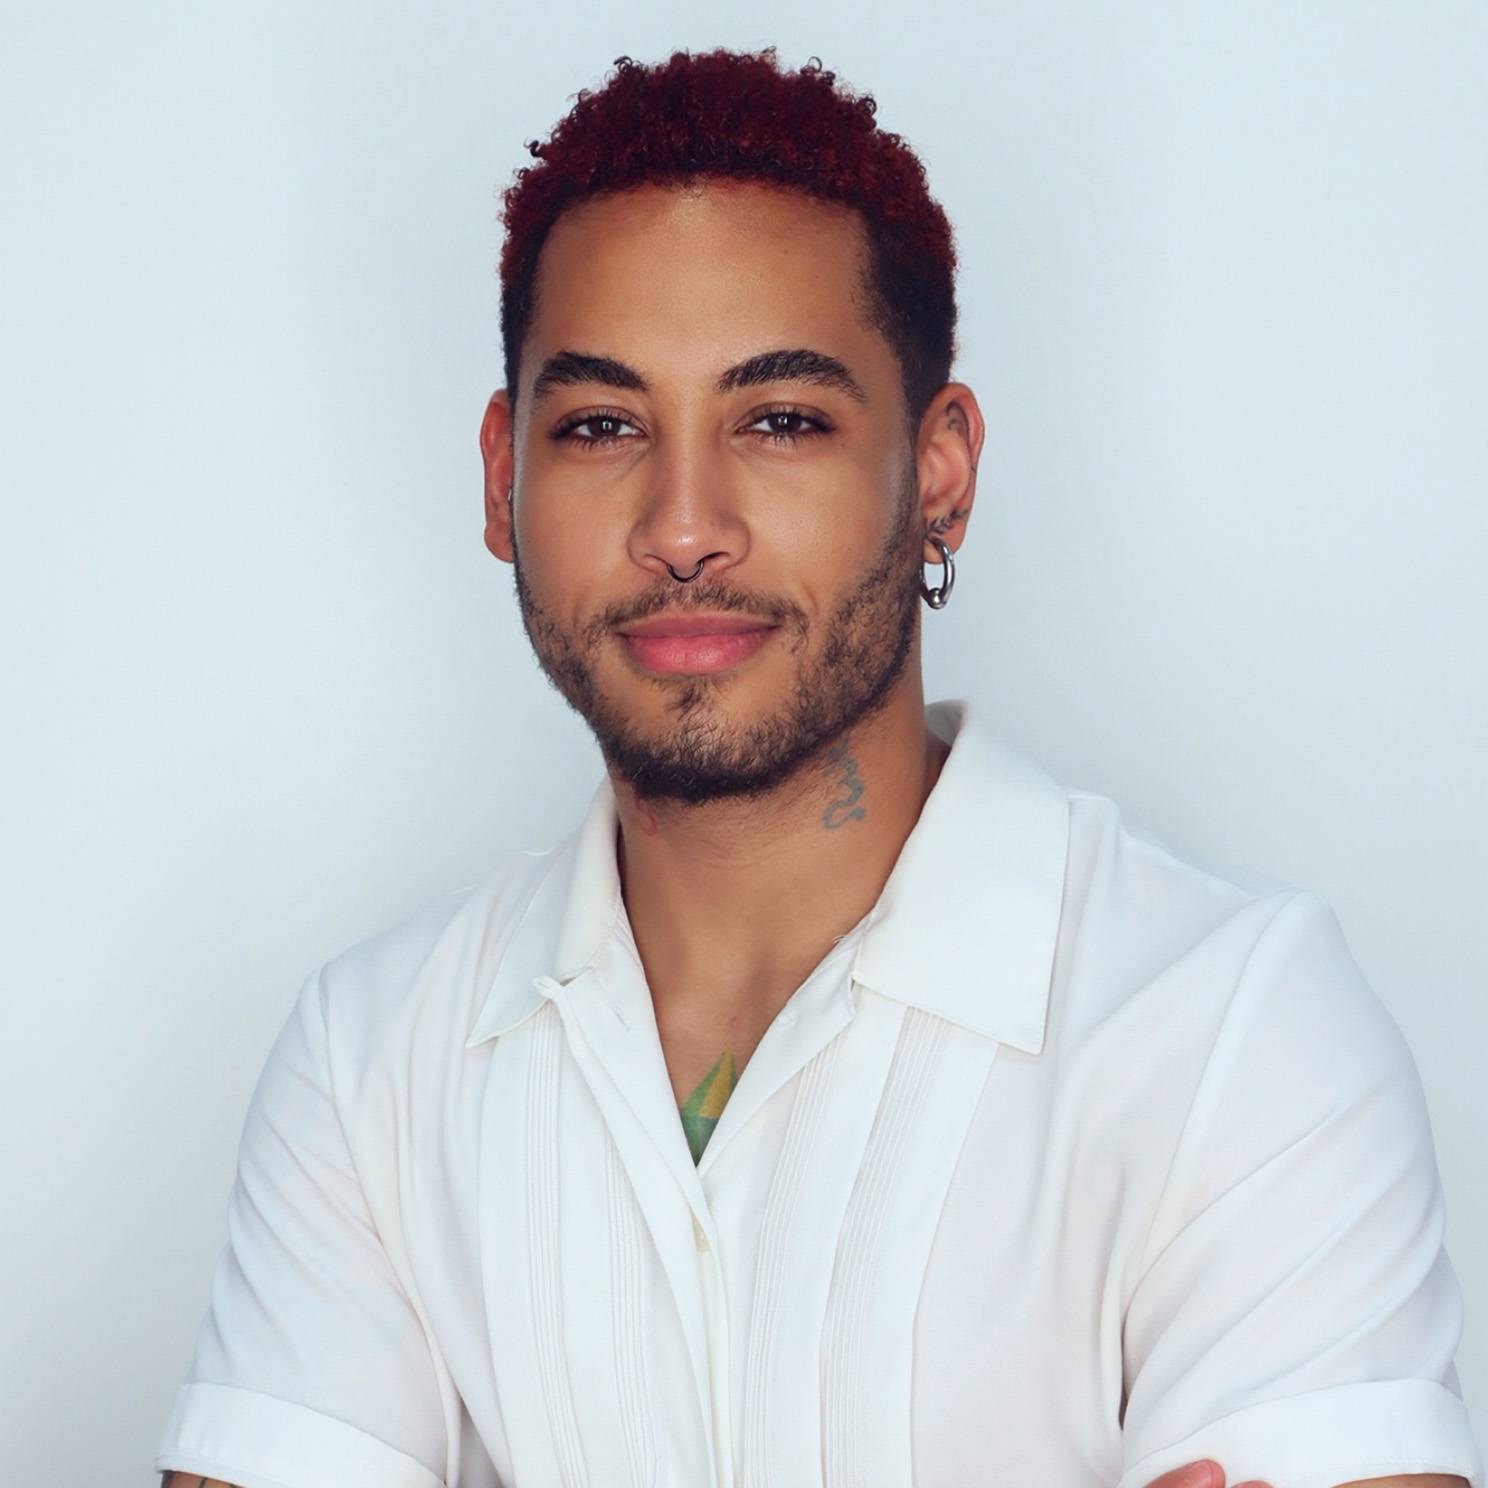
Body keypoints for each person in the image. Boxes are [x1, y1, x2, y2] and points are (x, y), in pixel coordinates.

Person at [155, 47, 1479, 1488]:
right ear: (502, 480)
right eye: (602, 425)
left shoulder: (1234, 1033)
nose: (683, 525)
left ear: (941, 472)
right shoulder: (370, 1065)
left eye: (780, 421)